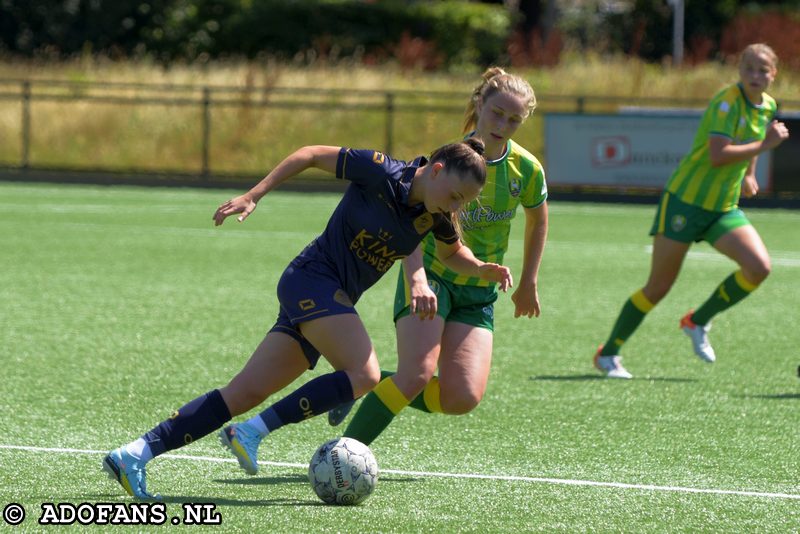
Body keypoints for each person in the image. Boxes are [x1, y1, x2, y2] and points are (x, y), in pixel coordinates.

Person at [102, 139, 514, 498]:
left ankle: (134, 455)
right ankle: (251, 432)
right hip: (311, 280)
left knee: (242, 392)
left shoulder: (433, 213)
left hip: (327, 297)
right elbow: (311, 154)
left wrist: (482, 268)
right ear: (437, 170)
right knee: (365, 374)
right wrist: (255, 194)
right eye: (457, 196)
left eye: (464, 202)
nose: (457, 207)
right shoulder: (380, 170)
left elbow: (451, 253)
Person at [328, 66, 548, 445]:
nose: (503, 124)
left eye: (514, 119)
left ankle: (364, 382)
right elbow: (410, 214)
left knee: (461, 397)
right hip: (433, 276)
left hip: (478, 290)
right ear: (480, 104)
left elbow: (538, 221)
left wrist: (528, 281)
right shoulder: (451, 160)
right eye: (497, 112)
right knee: (416, 375)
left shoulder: (526, 169)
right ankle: (344, 454)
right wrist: (416, 279)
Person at [594, 43, 789, 379]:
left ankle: (696, 321)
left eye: (763, 70)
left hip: (722, 207)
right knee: (658, 287)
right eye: (750, 68)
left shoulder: (767, 105)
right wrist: (766, 145)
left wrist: (750, 173)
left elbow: (752, 140)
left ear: (773, 75)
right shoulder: (727, 102)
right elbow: (719, 153)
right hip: (685, 201)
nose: (756, 75)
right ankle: (608, 354)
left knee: (759, 268)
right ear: (739, 70)